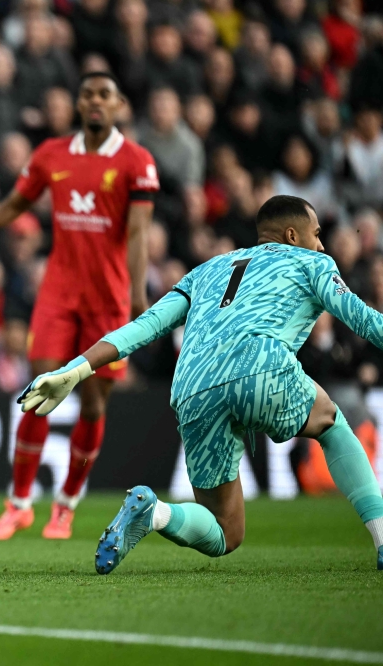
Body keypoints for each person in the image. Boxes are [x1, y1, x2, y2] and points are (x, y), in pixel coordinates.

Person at [19, 195, 383, 573]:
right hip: (260, 368)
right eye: (317, 233)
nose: (322, 244)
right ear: (293, 235)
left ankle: (155, 512)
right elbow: (362, 319)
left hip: (192, 388)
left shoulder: (206, 270)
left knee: (226, 531)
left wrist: (76, 369)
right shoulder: (313, 261)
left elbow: (146, 326)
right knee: (331, 423)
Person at [0, 71, 159, 541]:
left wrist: (137, 297)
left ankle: (66, 504)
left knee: (92, 405)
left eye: (104, 94)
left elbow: (136, 233)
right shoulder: (52, 154)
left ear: (119, 105)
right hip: (58, 292)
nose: (95, 101)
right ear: (78, 102)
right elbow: (14, 205)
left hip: (108, 299)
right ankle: (19, 504)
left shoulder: (136, 161)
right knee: (38, 392)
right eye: (88, 93)